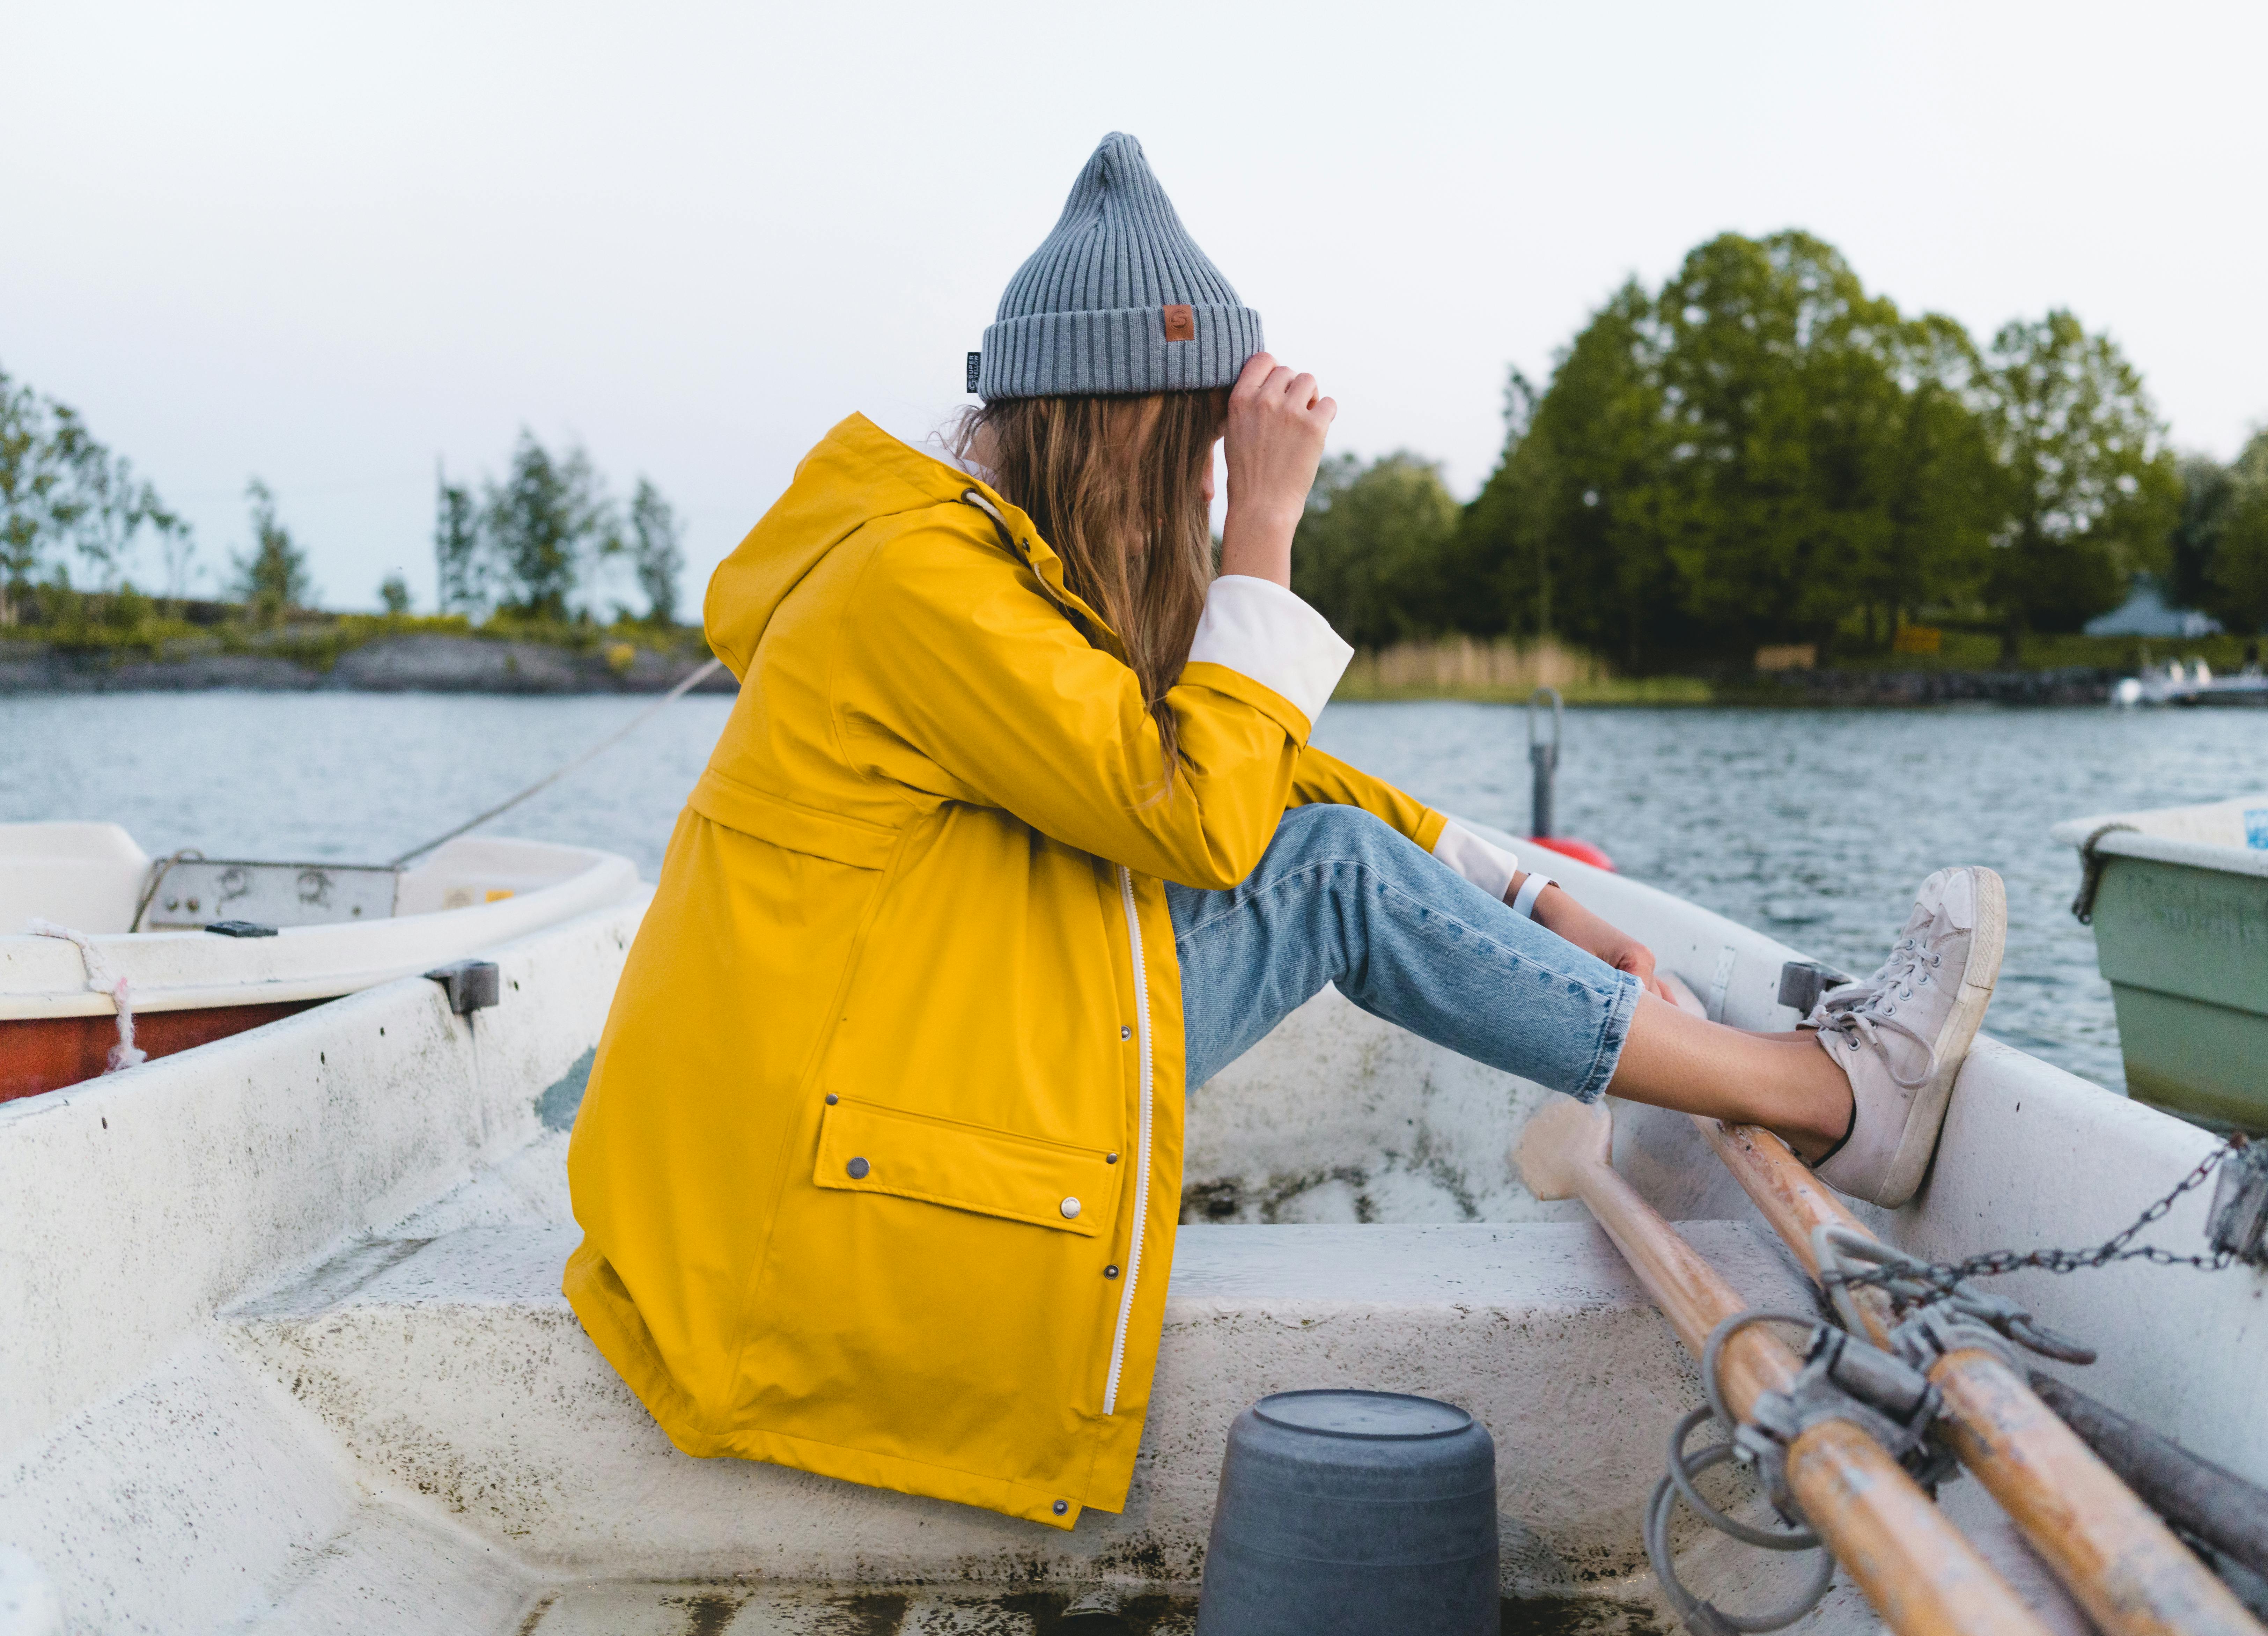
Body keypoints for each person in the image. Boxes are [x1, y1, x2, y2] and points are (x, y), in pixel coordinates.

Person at [563, 132, 2006, 1532]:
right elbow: (1203, 812)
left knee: (1330, 854)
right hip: (808, 1203)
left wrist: (1517, 885)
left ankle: (1774, 1076)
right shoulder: (919, 589)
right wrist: (1268, 526)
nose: (1204, 486)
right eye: (1194, 449)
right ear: (1115, 426)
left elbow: (1254, 767)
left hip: (866, 1089)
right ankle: (1828, 1098)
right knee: (1324, 879)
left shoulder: (968, 568)